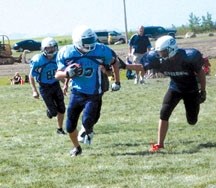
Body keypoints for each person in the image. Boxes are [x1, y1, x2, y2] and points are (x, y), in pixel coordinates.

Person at [125, 35, 206, 152]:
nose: (160, 55)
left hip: (191, 90)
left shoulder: (188, 56)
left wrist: (202, 90)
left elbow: (201, 72)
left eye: (163, 52)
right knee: (164, 112)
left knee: (192, 120)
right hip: (175, 87)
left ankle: (192, 116)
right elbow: (142, 67)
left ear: (172, 49)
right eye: (159, 52)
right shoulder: (157, 59)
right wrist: (124, 66)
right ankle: (160, 144)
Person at [55, 25, 121, 157]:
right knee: (69, 126)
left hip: (94, 92)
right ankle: (77, 148)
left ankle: (88, 130)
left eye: (92, 41)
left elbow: (115, 62)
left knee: (88, 121)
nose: (91, 46)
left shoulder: (101, 49)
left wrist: (117, 81)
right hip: (77, 92)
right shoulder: (67, 52)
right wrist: (67, 74)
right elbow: (57, 74)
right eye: (87, 43)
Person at [29, 37, 66, 135]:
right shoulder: (38, 60)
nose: (51, 50)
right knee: (53, 112)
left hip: (55, 84)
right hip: (44, 87)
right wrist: (34, 90)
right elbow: (31, 76)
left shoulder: (58, 57)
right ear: (43, 49)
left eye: (52, 48)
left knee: (62, 109)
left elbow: (60, 73)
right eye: (48, 48)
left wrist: (66, 84)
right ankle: (50, 111)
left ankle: (60, 129)